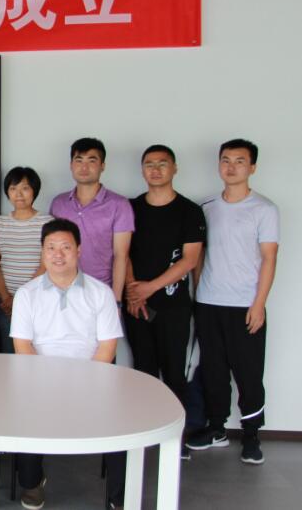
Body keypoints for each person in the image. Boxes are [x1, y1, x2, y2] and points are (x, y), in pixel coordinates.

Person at [10, 219, 125, 510]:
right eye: (51, 247)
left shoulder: (101, 292)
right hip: (40, 382)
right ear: (42, 252)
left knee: (123, 423)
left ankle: (118, 495)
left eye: (65, 247)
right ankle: (32, 482)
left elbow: (108, 347)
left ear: (79, 250)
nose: (58, 254)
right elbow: (23, 347)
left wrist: (83, 385)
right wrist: (47, 385)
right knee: (22, 415)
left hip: (92, 381)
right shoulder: (26, 294)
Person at [187, 139, 278, 465]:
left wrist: (259, 304)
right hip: (209, 303)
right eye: (226, 160)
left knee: (249, 373)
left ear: (252, 167)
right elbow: (199, 255)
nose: (231, 166)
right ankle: (217, 428)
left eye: (240, 161)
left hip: (245, 305)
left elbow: (269, 258)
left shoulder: (264, 209)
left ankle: (251, 435)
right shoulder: (207, 206)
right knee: (213, 371)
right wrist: (200, 289)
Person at [124, 146, 204, 436]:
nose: (155, 170)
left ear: (174, 168)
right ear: (142, 169)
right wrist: (133, 291)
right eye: (149, 164)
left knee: (173, 373)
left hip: (174, 307)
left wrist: (150, 288)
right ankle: (145, 434)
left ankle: (174, 439)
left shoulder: (189, 211)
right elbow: (122, 252)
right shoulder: (130, 208)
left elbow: (190, 259)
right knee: (142, 372)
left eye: (162, 164)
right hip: (136, 305)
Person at [48, 138, 134, 365]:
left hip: (100, 296)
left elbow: (121, 255)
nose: (84, 166)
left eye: (92, 160)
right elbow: (50, 250)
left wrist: (116, 301)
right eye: (79, 160)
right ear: (71, 165)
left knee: (101, 364)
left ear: (102, 165)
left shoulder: (119, 205)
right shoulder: (59, 203)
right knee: (60, 361)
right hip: (61, 295)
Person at [0, 167, 52, 353]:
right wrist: (7, 298)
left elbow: (45, 265)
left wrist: (21, 298)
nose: (19, 194)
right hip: (4, 302)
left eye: (25, 188)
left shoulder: (47, 222)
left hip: (36, 299)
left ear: (34, 191)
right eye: (13, 188)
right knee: (8, 353)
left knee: (36, 352)